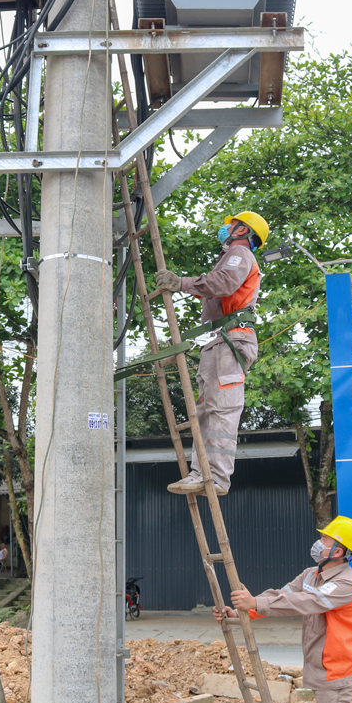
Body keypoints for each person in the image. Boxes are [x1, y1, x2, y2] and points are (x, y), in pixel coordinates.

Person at [156, 211, 269, 495]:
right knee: (206, 413)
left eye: (230, 225)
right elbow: (217, 288)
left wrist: (180, 282)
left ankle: (216, 477)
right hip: (219, 342)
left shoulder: (239, 254)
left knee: (221, 411)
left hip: (231, 341)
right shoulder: (232, 256)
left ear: (242, 231)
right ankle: (202, 474)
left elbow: (222, 283)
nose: (224, 229)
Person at [214, 516, 352, 703]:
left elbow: (305, 602)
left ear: (338, 551)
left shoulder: (346, 584)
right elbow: (283, 595)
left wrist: (256, 602)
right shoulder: (312, 574)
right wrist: (241, 611)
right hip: (323, 670)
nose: (318, 542)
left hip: (338, 674)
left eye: (325, 539)